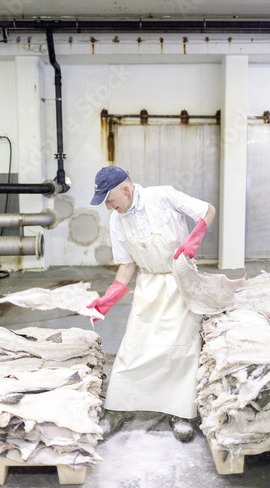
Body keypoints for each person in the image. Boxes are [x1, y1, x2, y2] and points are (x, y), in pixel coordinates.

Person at [87, 166, 215, 442]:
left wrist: (193, 241)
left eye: (109, 200)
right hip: (148, 284)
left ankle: (181, 413)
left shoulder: (163, 196)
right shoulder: (117, 219)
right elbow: (126, 264)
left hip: (180, 280)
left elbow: (208, 210)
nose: (109, 207)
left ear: (125, 189)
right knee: (134, 346)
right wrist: (109, 298)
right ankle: (117, 408)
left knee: (181, 350)